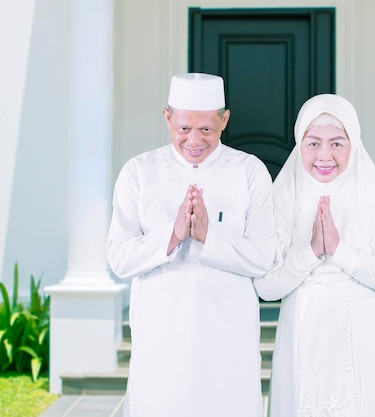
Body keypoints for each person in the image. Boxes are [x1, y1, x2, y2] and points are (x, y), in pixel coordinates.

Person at [106, 72, 277, 417]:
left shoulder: (249, 171)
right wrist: (172, 235)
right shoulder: (138, 172)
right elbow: (119, 258)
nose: (194, 140)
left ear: (224, 120)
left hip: (229, 335)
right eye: (184, 128)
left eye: (206, 130)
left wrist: (209, 236)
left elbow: (263, 257)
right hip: (160, 334)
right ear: (167, 117)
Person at [254, 94, 375, 416]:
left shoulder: (372, 194)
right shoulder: (283, 196)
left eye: (337, 143)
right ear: (299, 144)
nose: (324, 155)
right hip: (303, 327)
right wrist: (311, 252)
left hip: (364, 328)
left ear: (353, 144)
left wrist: (340, 251)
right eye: (313, 143)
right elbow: (266, 288)